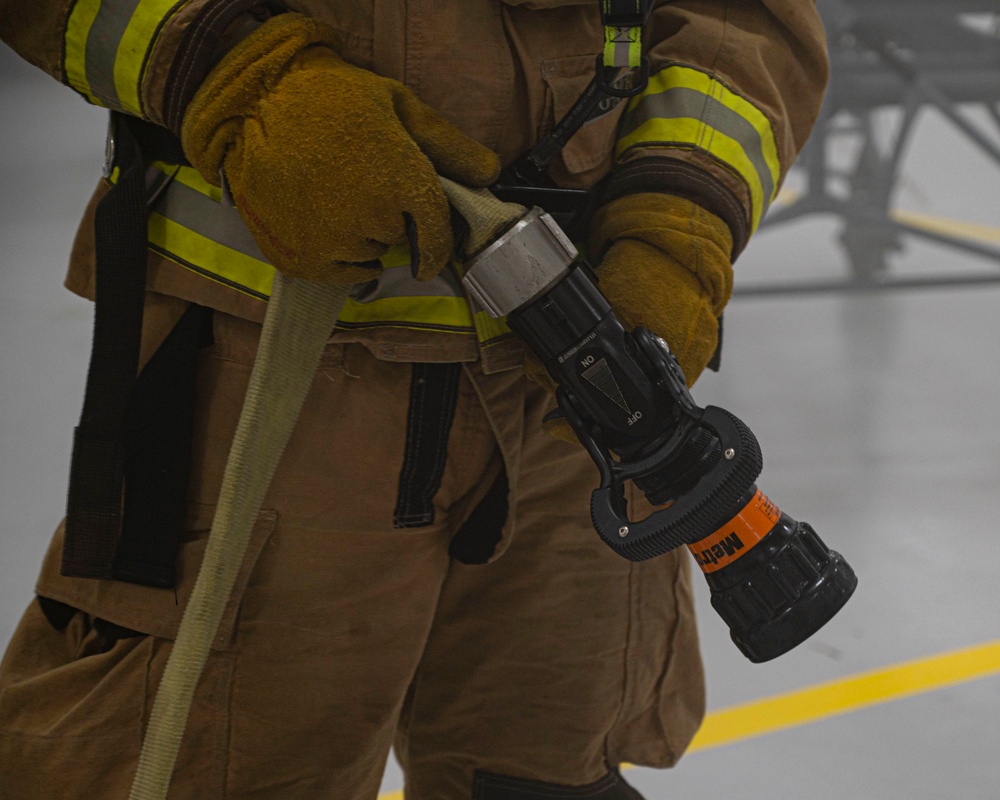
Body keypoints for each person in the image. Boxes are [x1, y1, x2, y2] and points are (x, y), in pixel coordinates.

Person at [0, 2, 828, 797]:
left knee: (548, 775)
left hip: (578, 410)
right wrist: (234, 75)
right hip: (268, 387)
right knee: (214, 766)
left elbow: (744, 21)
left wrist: (678, 218)